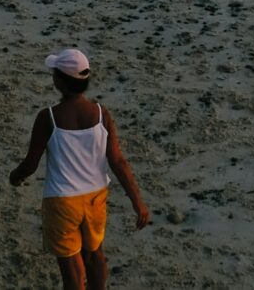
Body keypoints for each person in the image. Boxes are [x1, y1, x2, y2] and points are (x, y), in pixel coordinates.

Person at [8, 48, 150, 288]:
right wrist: (137, 202)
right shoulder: (100, 113)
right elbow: (117, 160)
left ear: (60, 82)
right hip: (95, 198)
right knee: (95, 254)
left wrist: (15, 177)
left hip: (62, 201)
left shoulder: (48, 117)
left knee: (71, 266)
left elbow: (31, 163)